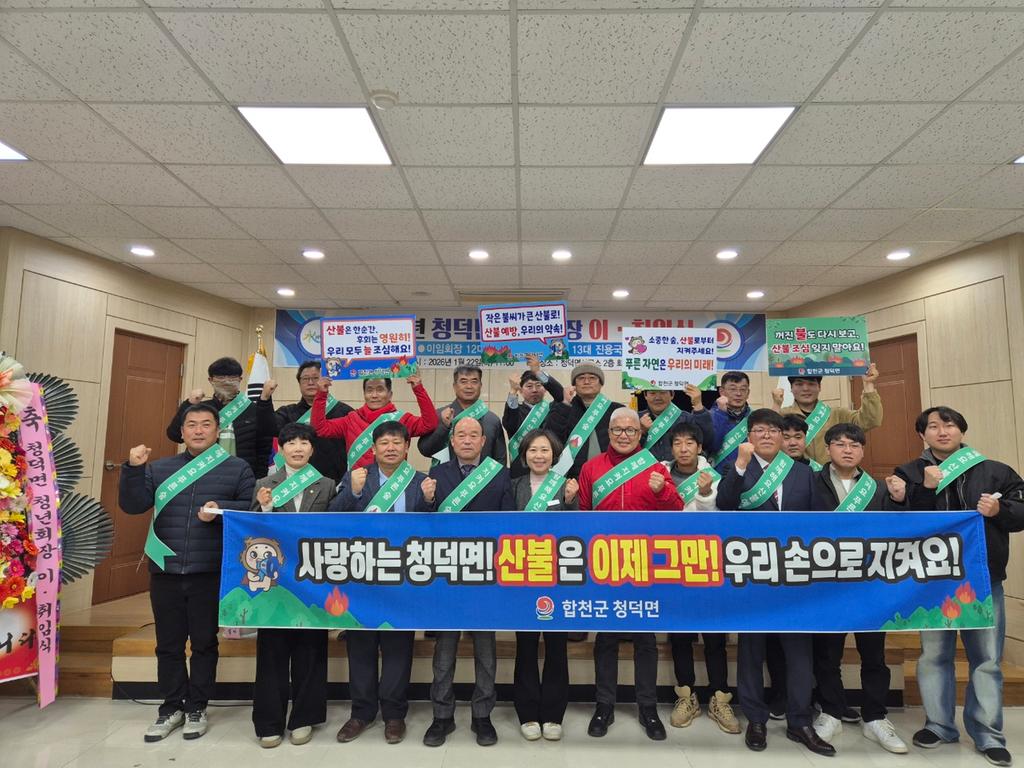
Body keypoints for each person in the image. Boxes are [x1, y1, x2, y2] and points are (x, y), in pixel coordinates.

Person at [894, 406, 1024, 767]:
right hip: (932, 584)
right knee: (934, 656)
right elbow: (901, 523)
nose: (942, 431)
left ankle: (988, 733)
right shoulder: (909, 473)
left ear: (961, 430)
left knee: (987, 659)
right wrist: (924, 489)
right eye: (933, 426)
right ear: (922, 435)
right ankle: (939, 725)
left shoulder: (995, 471)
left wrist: (1000, 511)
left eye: (949, 424)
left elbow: (1021, 511)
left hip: (983, 579)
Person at [120, 403, 255, 742]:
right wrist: (134, 469)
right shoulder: (160, 468)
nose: (198, 430)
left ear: (217, 430)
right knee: (168, 644)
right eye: (191, 424)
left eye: (206, 424)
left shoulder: (237, 468)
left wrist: (221, 509)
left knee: (205, 643)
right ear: (181, 432)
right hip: (165, 569)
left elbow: (252, 508)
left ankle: (197, 706)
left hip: (209, 570)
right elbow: (132, 505)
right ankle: (171, 707)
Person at [716, 409, 834, 756]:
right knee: (751, 650)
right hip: (752, 574)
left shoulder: (803, 473)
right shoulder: (737, 468)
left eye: (772, 430)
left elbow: (819, 523)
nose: (766, 435)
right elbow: (724, 504)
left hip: (794, 577)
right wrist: (740, 465)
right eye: (758, 430)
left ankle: (800, 721)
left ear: (784, 437)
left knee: (799, 653)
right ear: (748, 437)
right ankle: (756, 719)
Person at [577, 407, 682, 742]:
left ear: (640, 434)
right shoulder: (591, 468)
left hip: (644, 564)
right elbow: (582, 515)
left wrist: (661, 491)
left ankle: (647, 707)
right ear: (609, 432)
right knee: (605, 638)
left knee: (645, 639)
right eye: (618, 430)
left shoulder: (655, 467)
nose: (624, 435)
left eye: (631, 430)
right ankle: (604, 706)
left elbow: (678, 511)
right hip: (605, 563)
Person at [809, 423, 909, 754]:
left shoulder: (879, 488)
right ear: (828, 450)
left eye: (854, 445)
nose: (847, 450)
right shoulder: (810, 483)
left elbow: (899, 530)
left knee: (874, 654)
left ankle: (875, 717)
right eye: (840, 444)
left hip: (870, 585)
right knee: (827, 653)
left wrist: (900, 501)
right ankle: (831, 712)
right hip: (827, 583)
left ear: (863, 451)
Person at [330, 421, 430, 746]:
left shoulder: (420, 481)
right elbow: (331, 517)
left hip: (403, 579)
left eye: (397, 442)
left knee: (398, 647)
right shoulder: (357, 476)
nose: (390, 447)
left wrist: (429, 502)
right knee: (361, 646)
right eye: (384, 442)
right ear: (373, 449)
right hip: (362, 577)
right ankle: (361, 712)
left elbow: (432, 529)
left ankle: (394, 714)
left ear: (407, 447)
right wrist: (354, 492)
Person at [420, 416, 514, 748]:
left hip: (485, 575)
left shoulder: (499, 474)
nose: (468, 440)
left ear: (484, 441)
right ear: (452, 440)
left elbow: (508, 526)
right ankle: (441, 715)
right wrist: (427, 501)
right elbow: (423, 525)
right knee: (444, 650)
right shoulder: (436, 475)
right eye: (461, 435)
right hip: (447, 574)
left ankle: (482, 715)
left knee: (485, 650)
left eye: (475, 435)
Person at [249, 422, 336, 748]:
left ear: (312, 449)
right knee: (271, 651)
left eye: (304, 442)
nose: (298, 448)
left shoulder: (326, 484)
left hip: (313, 581)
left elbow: (334, 530)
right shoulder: (264, 484)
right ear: (281, 448)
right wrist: (265, 506)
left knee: (310, 650)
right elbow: (251, 531)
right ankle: (268, 722)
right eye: (291, 443)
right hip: (275, 582)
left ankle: (304, 718)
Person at [658, 422, 739, 734]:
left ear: (700, 447)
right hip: (671, 564)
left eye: (689, 443)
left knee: (714, 635)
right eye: (677, 443)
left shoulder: (713, 476)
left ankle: (720, 698)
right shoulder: (659, 474)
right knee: (680, 634)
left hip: (707, 564)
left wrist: (705, 494)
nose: (683, 448)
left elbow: (720, 518)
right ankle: (685, 695)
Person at [509, 429, 577, 742]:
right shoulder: (513, 487)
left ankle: (553, 714)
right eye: (533, 450)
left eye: (545, 450)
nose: (539, 456)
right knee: (525, 646)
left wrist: (571, 502)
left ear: (555, 455)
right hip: (523, 577)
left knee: (556, 646)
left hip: (557, 578)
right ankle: (527, 713)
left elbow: (578, 530)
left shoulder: (566, 486)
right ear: (524, 455)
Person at [166, 356, 277, 479]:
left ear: (240, 379)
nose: (226, 382)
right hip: (203, 473)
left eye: (232, 378)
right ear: (210, 380)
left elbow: (264, 448)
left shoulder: (254, 410)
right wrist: (189, 403)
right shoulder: (201, 409)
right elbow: (175, 435)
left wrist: (258, 479)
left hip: (243, 476)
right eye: (220, 377)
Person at [311, 374, 438, 471]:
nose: (374, 395)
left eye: (380, 389)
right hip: (359, 486)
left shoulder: (402, 419)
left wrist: (418, 389)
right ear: (364, 394)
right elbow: (320, 429)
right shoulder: (351, 419)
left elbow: (430, 424)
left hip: (392, 487)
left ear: (390, 394)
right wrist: (321, 395)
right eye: (369, 390)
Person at [781, 363, 883, 464]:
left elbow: (870, 420)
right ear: (791, 388)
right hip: (795, 472)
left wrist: (868, 385)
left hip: (830, 474)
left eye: (811, 384)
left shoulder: (838, 414)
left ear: (819, 387)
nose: (805, 388)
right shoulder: (781, 416)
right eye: (799, 384)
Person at [274, 360, 353, 482]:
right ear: (299, 383)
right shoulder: (287, 413)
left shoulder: (344, 411)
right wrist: (265, 400)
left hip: (336, 482)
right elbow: (267, 428)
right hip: (296, 482)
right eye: (306, 379)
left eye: (316, 378)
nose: (311, 382)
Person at [547, 363, 625, 478]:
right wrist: (565, 404)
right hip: (573, 478)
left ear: (601, 383)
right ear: (574, 384)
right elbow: (552, 438)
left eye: (592, 378)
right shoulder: (562, 407)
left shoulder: (617, 409)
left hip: (611, 476)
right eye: (581, 378)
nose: (587, 382)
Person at [418, 365, 507, 465]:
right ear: (455, 386)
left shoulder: (492, 420)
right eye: (463, 381)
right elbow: (425, 450)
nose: (469, 386)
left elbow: (500, 459)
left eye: (474, 382)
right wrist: (444, 427)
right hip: (445, 475)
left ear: (480, 386)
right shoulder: (439, 415)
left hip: (483, 475)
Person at [503, 353, 565, 478]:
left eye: (538, 385)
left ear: (545, 388)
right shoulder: (516, 410)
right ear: (521, 390)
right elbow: (510, 424)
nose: (535, 390)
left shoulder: (553, 409)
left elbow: (560, 395)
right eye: (529, 386)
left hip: (552, 469)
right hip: (520, 471)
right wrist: (513, 391)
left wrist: (538, 372)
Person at [638, 383, 714, 463]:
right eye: (652, 393)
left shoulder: (686, 418)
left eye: (663, 392)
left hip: (679, 469)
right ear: (645, 395)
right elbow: (630, 451)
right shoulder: (636, 419)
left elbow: (707, 442)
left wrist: (698, 405)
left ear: (672, 395)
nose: (658, 398)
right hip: (647, 469)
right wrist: (642, 432)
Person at [708, 371, 753, 469]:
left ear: (748, 393)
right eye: (733, 389)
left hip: (748, 473)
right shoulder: (709, 416)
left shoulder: (754, 417)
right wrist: (721, 413)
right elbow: (713, 446)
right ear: (722, 391)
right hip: (718, 474)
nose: (738, 394)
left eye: (743, 389)